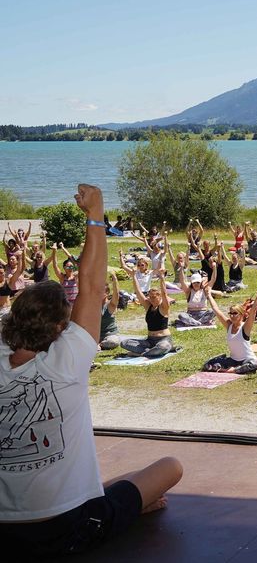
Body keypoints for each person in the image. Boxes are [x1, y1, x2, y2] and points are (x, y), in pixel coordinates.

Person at [0, 184, 182, 556]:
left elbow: (88, 286)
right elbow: (92, 284)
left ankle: (114, 495)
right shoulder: (67, 362)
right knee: (170, 467)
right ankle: (117, 500)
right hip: (70, 526)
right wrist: (95, 214)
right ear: (59, 329)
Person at [201, 285, 257, 375]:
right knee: (208, 364)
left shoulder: (245, 327)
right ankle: (227, 365)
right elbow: (216, 310)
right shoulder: (229, 325)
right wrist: (209, 295)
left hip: (246, 360)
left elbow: (253, 311)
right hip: (233, 361)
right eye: (230, 313)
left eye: (235, 313)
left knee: (255, 364)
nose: (232, 315)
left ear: (242, 315)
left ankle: (231, 370)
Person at [120, 268, 175, 358]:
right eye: (150, 297)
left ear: (159, 296)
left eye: (154, 297)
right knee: (124, 343)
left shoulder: (164, 307)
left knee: (163, 347)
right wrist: (134, 276)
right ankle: (150, 352)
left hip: (163, 340)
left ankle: (141, 354)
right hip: (149, 341)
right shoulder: (148, 306)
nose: (151, 299)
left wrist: (162, 278)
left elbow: (164, 293)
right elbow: (138, 292)